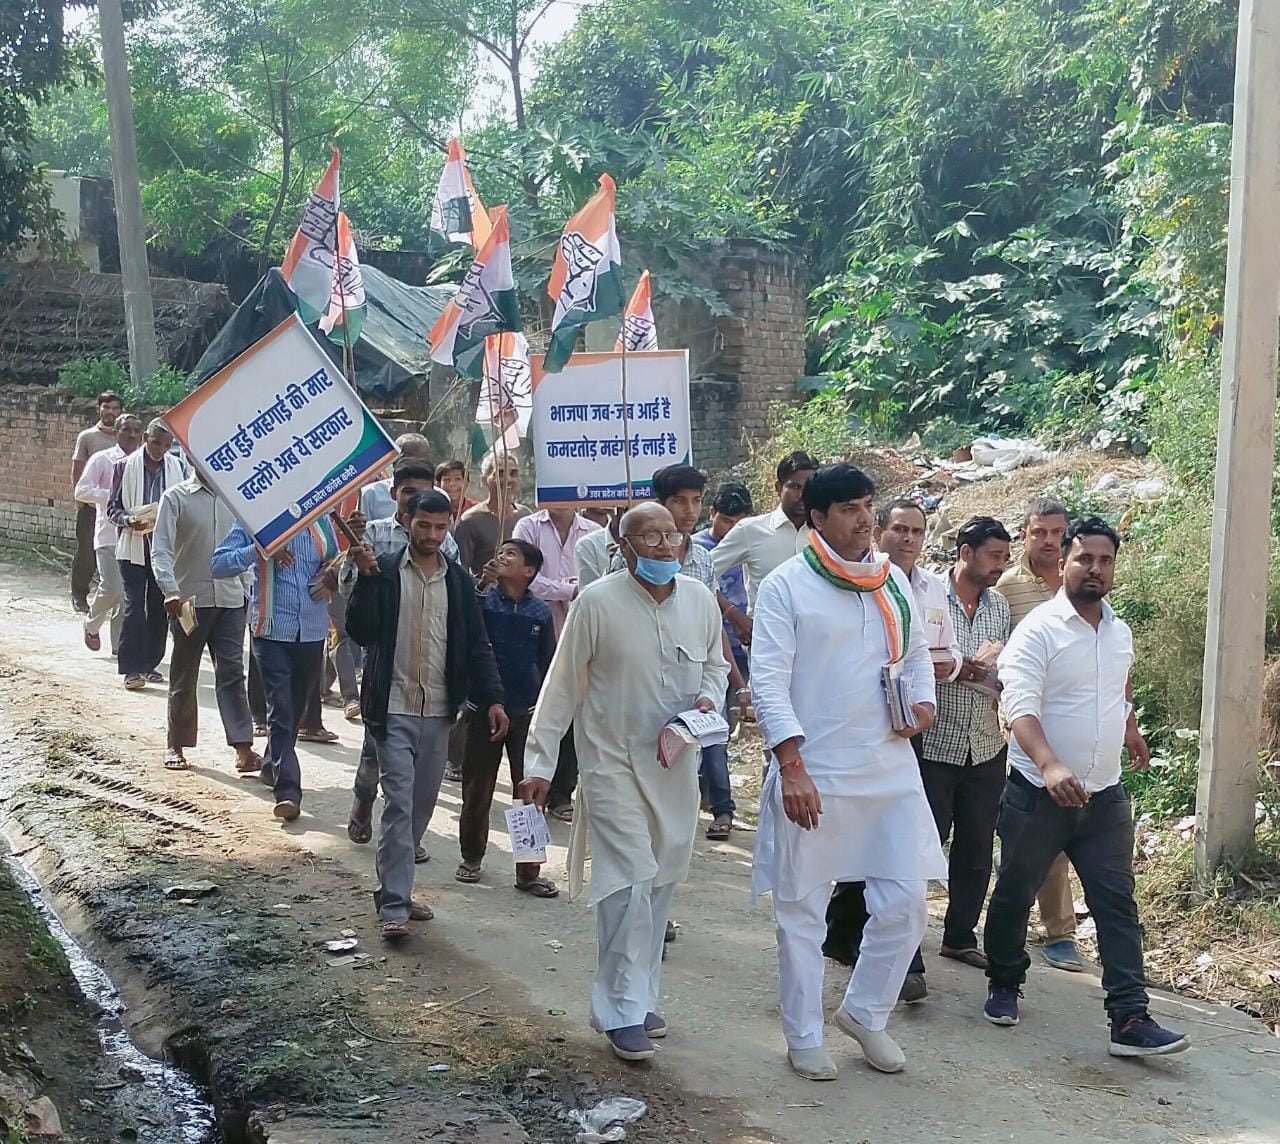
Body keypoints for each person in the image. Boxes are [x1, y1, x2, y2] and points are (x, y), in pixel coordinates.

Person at [749, 465, 944, 1082]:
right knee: (802, 913)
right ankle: (804, 1034)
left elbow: (916, 657)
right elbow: (768, 682)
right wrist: (791, 765)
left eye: (868, 505)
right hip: (816, 771)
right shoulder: (786, 586)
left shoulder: (891, 581)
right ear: (818, 518)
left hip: (888, 767)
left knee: (906, 903)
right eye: (851, 509)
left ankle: (865, 1012)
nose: (866, 519)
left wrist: (922, 705)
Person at [518, 502, 728, 1062]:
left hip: (675, 767)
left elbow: (715, 665)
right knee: (628, 882)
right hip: (610, 763)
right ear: (624, 548)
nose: (664, 546)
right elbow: (561, 685)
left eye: (671, 535)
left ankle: (640, 995)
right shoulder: (597, 602)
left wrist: (708, 699)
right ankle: (619, 1012)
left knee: (660, 884)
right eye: (650, 538)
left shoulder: (700, 600)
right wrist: (539, 764)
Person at [983, 517, 1189, 1058]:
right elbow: (1018, 705)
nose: (1095, 569)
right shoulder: (1039, 630)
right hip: (1038, 796)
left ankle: (1130, 1018)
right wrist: (1050, 765)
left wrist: (1130, 726)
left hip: (1104, 797)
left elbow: (1116, 688)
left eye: (1105, 560)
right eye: (1084, 559)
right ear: (1063, 563)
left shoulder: (1118, 631)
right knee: (1015, 892)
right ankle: (1004, 981)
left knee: (1116, 904)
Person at [822, 498, 967, 999]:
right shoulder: (859, 580)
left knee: (896, 840)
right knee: (862, 833)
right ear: (880, 531)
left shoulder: (930, 588)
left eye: (917, 531)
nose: (908, 538)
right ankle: (854, 935)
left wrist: (943, 674)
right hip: (858, 727)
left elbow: (938, 651)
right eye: (899, 529)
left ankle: (889, 952)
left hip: (911, 725)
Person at [346, 490, 507, 939]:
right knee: (398, 804)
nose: (432, 535)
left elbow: (476, 645)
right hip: (391, 708)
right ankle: (395, 905)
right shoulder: (383, 571)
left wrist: (493, 698)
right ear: (405, 521)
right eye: (424, 525)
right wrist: (366, 581)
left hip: (439, 712)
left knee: (420, 808)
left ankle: (391, 886)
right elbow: (361, 632)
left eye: (440, 527)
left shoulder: (457, 582)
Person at [342, 461, 460, 847]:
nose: (431, 534)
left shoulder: (445, 543)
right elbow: (350, 595)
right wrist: (359, 566)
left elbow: (457, 597)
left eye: (424, 493)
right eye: (409, 492)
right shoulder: (373, 535)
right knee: (375, 747)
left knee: (418, 767)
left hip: (430, 665)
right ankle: (364, 799)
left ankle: (406, 838)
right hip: (384, 659)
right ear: (395, 494)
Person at [637, 464, 750, 840]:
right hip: (649, 676)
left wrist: (736, 680)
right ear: (661, 503)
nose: (689, 511)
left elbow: (712, 626)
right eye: (680, 501)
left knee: (710, 732)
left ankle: (722, 808)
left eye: (696, 501)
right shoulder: (634, 556)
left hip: (698, 670)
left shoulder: (702, 558)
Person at [994, 498, 1083, 972]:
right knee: (1025, 831)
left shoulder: (1080, 582)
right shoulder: (1007, 589)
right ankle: (1011, 923)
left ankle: (1058, 932)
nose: (1049, 541)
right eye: (1039, 532)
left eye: (1057, 532)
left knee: (1059, 832)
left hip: (1071, 726)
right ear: (1024, 536)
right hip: (1019, 730)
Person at [212, 516, 340, 821]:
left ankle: (273, 765)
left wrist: (334, 573)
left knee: (293, 711)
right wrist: (260, 549)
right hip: (271, 630)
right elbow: (219, 565)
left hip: (312, 631)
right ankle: (288, 792)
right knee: (281, 710)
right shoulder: (258, 521)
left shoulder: (321, 520)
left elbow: (337, 561)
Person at [456, 539, 557, 895]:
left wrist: (544, 706)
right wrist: (482, 585)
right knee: (477, 788)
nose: (501, 556)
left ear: (529, 570)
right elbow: (464, 623)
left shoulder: (540, 612)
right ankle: (471, 857)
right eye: (500, 552)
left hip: (524, 710)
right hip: (483, 708)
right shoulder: (483, 600)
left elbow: (547, 662)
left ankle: (529, 870)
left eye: (511, 554)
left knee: (527, 790)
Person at [151, 471, 259, 775]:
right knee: (185, 672)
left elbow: (245, 547)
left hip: (231, 600)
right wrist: (169, 589)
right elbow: (161, 548)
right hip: (189, 601)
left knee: (232, 673)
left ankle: (243, 747)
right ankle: (176, 744)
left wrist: (247, 590)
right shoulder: (176, 497)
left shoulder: (235, 496)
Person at [512, 504, 602, 820]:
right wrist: (570, 589)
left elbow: (599, 586)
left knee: (575, 714)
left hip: (580, 638)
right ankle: (531, 788)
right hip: (534, 637)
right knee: (539, 714)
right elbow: (526, 579)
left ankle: (562, 791)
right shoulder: (528, 527)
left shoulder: (593, 534)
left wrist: (578, 591)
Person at [692, 482, 754, 839]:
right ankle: (723, 806)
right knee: (711, 728)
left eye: (739, 523)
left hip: (743, 649)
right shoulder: (697, 552)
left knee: (721, 730)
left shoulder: (752, 543)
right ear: (712, 514)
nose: (731, 530)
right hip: (708, 649)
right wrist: (731, 613)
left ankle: (710, 794)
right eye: (726, 521)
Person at [106, 418, 186, 690]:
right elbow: (112, 509)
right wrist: (130, 521)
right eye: (155, 443)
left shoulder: (178, 468)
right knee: (134, 606)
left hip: (164, 549)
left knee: (158, 605)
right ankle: (131, 668)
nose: (159, 450)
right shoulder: (124, 467)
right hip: (132, 548)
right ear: (145, 439)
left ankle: (151, 663)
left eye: (166, 445)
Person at [711, 451, 820, 646]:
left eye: (809, 488)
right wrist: (731, 612)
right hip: (766, 643)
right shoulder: (751, 530)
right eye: (794, 487)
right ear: (778, 487)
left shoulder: (826, 533)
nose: (802, 496)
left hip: (817, 643)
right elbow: (700, 573)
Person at [76, 413, 142, 656]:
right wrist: (112, 496)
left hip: (136, 535)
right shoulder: (102, 459)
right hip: (108, 535)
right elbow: (81, 491)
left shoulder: (143, 462)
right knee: (113, 586)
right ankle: (92, 624)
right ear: (115, 433)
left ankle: (120, 646)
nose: (132, 435)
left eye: (136, 430)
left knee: (129, 594)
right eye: (126, 430)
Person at [70, 391, 123, 612]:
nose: (111, 412)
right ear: (98, 409)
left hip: (119, 509)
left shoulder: (126, 436)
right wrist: (80, 500)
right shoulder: (88, 437)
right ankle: (79, 594)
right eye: (107, 407)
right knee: (86, 552)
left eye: (115, 408)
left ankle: (113, 596)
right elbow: (78, 468)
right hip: (92, 506)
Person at [454, 451, 531, 577]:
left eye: (513, 474)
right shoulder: (471, 520)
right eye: (500, 474)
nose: (508, 479)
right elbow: (460, 569)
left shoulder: (525, 516)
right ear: (484, 480)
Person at [360, 432, 433, 522]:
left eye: (421, 461)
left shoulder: (440, 495)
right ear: (394, 460)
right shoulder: (370, 494)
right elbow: (362, 529)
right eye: (409, 491)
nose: (415, 466)